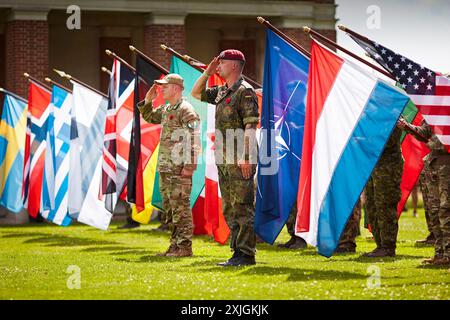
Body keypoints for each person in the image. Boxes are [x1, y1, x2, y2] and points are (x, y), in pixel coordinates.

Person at [191, 49, 259, 266]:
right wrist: (207, 72)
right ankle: (237, 252)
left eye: (221, 63)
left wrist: (246, 157)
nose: (217, 66)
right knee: (229, 206)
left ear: (234, 66)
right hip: (224, 158)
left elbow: (250, 126)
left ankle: (246, 254)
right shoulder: (222, 91)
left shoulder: (244, 92)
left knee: (243, 206)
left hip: (240, 158)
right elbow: (195, 92)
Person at [138, 74, 200, 257]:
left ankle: (185, 247)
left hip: (179, 169)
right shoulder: (167, 109)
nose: (161, 89)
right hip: (166, 168)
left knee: (181, 208)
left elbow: (194, 140)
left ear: (175, 88)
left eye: (165, 86)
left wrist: (189, 166)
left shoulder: (186, 110)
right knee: (171, 210)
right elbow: (149, 116)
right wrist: (149, 99)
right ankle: (174, 247)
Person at [398, 118, 450, 266]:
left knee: (446, 209)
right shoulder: (434, 111)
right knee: (434, 210)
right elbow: (424, 133)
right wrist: (406, 126)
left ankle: (448, 253)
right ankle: (440, 253)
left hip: (447, 162)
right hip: (433, 161)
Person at [363, 126, 403, 258]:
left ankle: (388, 247)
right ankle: (380, 245)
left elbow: (390, 141)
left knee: (385, 206)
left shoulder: (394, 113)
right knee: (371, 205)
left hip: (388, 167)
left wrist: (364, 141)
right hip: (372, 165)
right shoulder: (372, 113)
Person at [415, 171, 435, 245]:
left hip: (436, 169)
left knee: (435, 204)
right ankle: (433, 234)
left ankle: (439, 235)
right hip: (425, 170)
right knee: (427, 205)